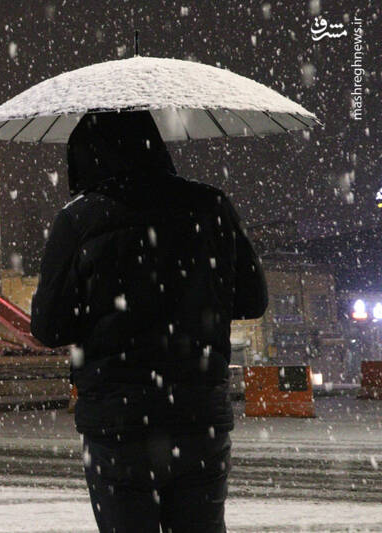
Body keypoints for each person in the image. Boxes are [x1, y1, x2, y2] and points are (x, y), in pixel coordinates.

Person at [30, 111, 267, 533]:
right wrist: (193, 300)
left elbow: (49, 328)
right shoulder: (210, 205)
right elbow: (253, 300)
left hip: (117, 424)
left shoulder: (78, 220)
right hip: (198, 417)